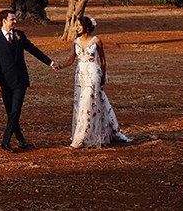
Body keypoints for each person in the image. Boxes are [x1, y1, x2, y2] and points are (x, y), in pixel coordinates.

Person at [53, 15, 131, 148]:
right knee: (88, 103)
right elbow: (71, 59)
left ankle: (80, 138)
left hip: (93, 73)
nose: (76, 28)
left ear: (86, 27)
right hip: (80, 76)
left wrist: (103, 76)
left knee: (86, 103)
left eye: (79, 25)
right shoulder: (76, 41)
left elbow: (103, 60)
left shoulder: (96, 41)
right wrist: (60, 65)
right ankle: (105, 132)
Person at [0, 9, 56, 152]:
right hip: (4, 81)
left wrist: (50, 63)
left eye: (15, 19)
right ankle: (21, 140)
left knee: (16, 110)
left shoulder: (20, 35)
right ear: (4, 21)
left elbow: (34, 50)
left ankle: (5, 141)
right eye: (12, 19)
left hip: (20, 80)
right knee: (11, 112)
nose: (15, 21)